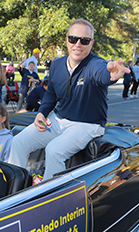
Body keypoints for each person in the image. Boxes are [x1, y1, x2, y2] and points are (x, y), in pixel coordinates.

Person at [8, 18, 129, 181]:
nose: (77, 44)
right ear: (67, 40)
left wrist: (111, 75)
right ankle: (15, 190)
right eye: (73, 39)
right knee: (18, 142)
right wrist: (41, 113)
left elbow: (102, 75)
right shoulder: (57, 64)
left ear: (91, 43)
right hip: (58, 120)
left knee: (54, 150)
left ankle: (49, 200)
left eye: (84, 41)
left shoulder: (95, 64)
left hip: (87, 125)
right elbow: (51, 93)